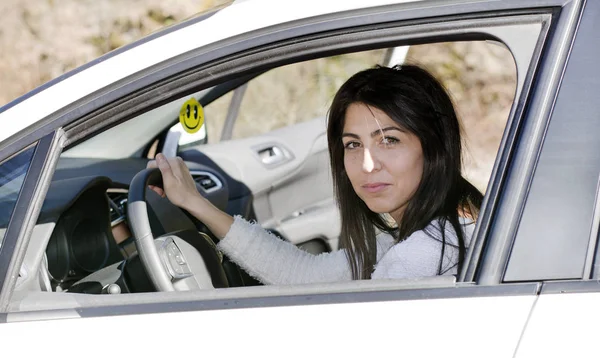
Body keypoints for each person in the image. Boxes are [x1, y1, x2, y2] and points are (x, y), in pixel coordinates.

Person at [148, 64, 483, 285]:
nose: (367, 165)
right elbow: (303, 274)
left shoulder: (423, 255)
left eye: (389, 140)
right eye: (353, 145)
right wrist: (198, 205)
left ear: (434, 147)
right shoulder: (432, 233)